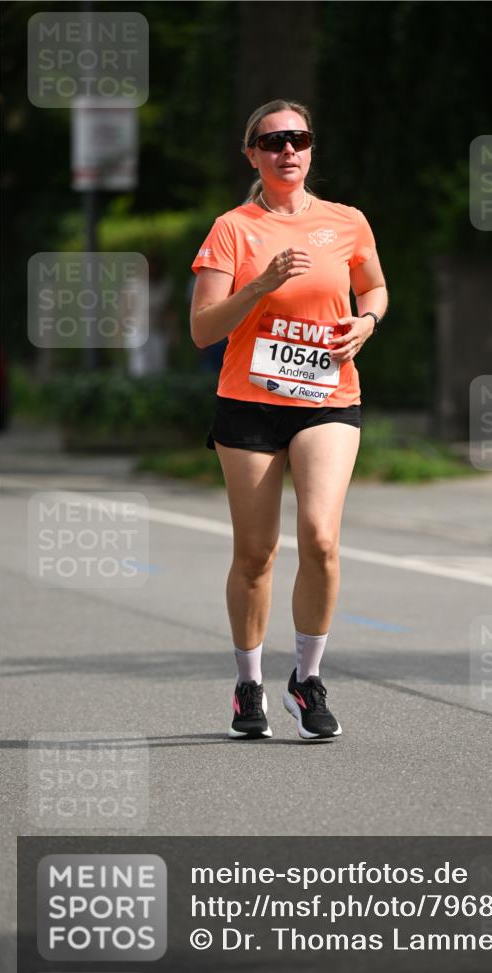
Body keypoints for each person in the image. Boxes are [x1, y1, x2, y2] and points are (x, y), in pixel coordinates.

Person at [190, 98, 388, 740]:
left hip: (328, 399)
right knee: (255, 553)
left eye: (299, 139)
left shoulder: (347, 221)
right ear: (253, 154)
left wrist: (367, 321)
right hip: (249, 401)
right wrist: (260, 284)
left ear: (310, 149)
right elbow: (201, 330)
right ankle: (249, 686)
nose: (288, 151)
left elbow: (375, 288)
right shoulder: (233, 228)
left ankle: (307, 679)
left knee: (321, 539)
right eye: (273, 142)